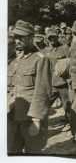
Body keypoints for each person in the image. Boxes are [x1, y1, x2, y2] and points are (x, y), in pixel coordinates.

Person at [7, 20, 52, 154]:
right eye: (16, 37)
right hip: (12, 115)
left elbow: (42, 91)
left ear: (31, 38)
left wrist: (36, 120)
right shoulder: (14, 59)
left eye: (22, 37)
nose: (18, 40)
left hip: (30, 116)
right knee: (11, 150)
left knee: (33, 152)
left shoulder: (40, 59)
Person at [43, 28, 71, 132]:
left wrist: (70, 78)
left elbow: (71, 64)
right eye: (50, 37)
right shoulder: (46, 51)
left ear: (57, 37)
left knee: (67, 104)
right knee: (45, 103)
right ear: (47, 38)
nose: (52, 39)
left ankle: (69, 122)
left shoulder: (64, 48)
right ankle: (42, 123)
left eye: (54, 37)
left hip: (63, 82)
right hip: (51, 83)